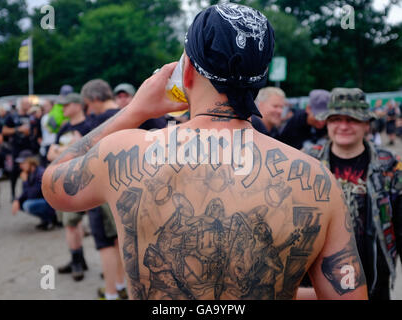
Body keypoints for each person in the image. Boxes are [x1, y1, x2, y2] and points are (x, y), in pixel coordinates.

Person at [42, 4, 368, 300]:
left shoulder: (123, 150)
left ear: (185, 74)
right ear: (259, 81)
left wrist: (133, 111)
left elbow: (56, 184)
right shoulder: (318, 180)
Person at [303, 88, 402, 300]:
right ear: (327, 123)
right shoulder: (307, 163)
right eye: (336, 119)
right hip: (318, 283)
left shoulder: (391, 167)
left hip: (374, 282)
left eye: (353, 119)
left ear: (367, 124)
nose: (344, 126)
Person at [80, 79, 128, 300]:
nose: (88, 110)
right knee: (120, 240)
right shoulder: (129, 114)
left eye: (88, 104)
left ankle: (110, 294)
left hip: (102, 190)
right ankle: (120, 285)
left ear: (94, 99)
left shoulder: (96, 123)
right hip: (127, 188)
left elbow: (85, 159)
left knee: (105, 245)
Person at [47, 93, 92, 281]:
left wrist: (64, 151)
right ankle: (78, 259)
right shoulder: (65, 127)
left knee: (72, 225)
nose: (63, 109)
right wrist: (71, 149)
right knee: (72, 224)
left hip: (84, 181)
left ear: (77, 105)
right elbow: (50, 154)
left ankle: (77, 262)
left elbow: (90, 153)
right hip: (65, 180)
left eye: (66, 105)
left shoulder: (89, 126)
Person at [12, 150, 57, 230]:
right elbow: (25, 193)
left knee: (27, 205)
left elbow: (32, 195)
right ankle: (45, 220)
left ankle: (51, 219)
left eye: (23, 163)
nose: (21, 166)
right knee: (21, 203)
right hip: (43, 201)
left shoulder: (40, 173)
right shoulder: (30, 173)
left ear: (30, 162)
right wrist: (17, 200)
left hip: (51, 203)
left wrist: (25, 182)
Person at [2, 96, 32, 201]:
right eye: (27, 103)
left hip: (29, 148)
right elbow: (4, 131)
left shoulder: (31, 116)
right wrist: (18, 129)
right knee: (14, 172)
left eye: (29, 103)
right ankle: (13, 194)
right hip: (16, 148)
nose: (29, 105)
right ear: (21, 104)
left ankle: (28, 193)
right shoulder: (12, 117)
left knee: (29, 171)